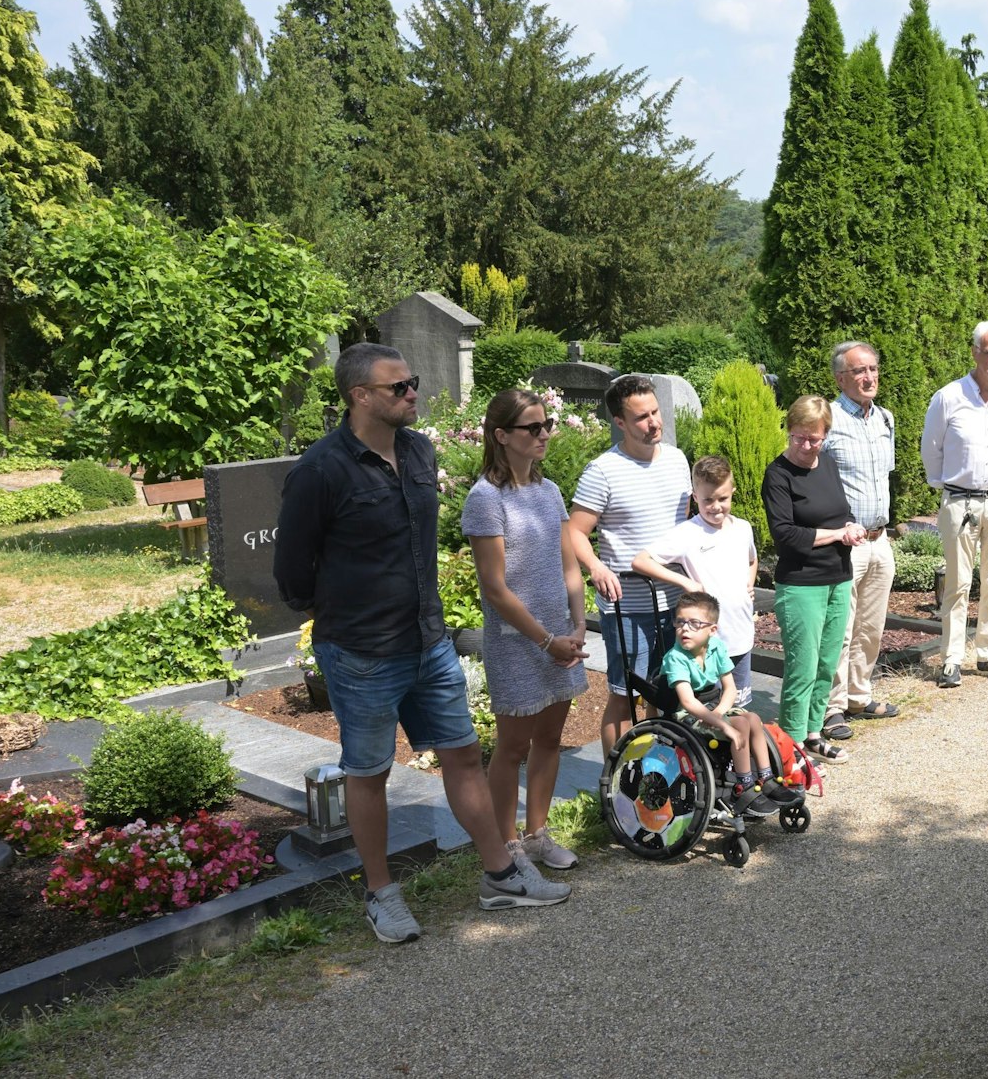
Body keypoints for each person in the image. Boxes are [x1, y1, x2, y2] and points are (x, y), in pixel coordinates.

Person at [275, 344, 569, 944]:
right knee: (370, 771)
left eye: (412, 383)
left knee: (462, 754)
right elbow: (291, 574)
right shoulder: (321, 470)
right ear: (360, 396)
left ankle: (499, 874)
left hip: (428, 639)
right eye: (399, 387)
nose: (413, 393)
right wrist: (343, 615)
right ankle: (382, 895)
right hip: (361, 650)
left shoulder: (416, 450)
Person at [462, 388, 591, 873]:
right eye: (532, 428)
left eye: (546, 426)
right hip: (519, 645)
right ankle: (508, 845)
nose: (543, 435)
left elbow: (569, 568)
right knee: (513, 747)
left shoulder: (549, 491)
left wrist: (577, 624)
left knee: (552, 740)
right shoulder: (485, 499)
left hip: (560, 639)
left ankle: (537, 835)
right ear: (501, 436)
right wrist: (545, 639)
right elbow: (495, 589)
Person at [566, 374, 691, 753]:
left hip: (677, 605)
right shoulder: (602, 471)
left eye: (655, 412)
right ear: (620, 422)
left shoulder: (676, 459)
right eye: (641, 417)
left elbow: (685, 527)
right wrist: (597, 567)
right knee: (625, 695)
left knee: (668, 691)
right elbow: (574, 532)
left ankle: (663, 774)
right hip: (629, 608)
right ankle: (617, 782)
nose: (653, 422)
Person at [921, 321, 988, 688]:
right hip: (960, 502)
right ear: (974, 352)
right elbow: (930, 451)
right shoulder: (949, 397)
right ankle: (951, 659)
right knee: (957, 584)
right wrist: (952, 487)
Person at [763, 395, 866, 763]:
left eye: (815, 439)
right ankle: (789, 753)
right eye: (799, 438)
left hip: (838, 577)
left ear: (826, 435)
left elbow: (840, 511)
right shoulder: (777, 475)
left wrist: (850, 526)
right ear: (789, 432)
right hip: (801, 583)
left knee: (826, 664)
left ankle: (811, 734)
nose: (806, 446)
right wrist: (838, 535)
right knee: (802, 668)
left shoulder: (829, 465)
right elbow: (786, 535)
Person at [820, 340, 902, 742]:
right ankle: (832, 707)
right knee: (841, 629)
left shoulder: (884, 418)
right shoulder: (830, 419)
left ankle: (858, 695)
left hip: (879, 539)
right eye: (859, 371)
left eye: (872, 368)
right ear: (840, 378)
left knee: (871, 627)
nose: (869, 377)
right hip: (845, 542)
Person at [629, 455, 758, 707]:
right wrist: (685, 583)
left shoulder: (743, 528)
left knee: (738, 709)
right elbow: (641, 561)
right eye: (708, 499)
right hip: (707, 645)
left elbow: (752, 560)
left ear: (732, 491)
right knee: (708, 714)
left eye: (723, 498)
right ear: (695, 496)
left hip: (741, 635)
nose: (716, 506)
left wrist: (749, 583)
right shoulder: (687, 533)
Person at [661, 590, 802, 815]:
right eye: (680, 622)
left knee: (753, 718)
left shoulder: (716, 647)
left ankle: (765, 778)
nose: (685, 628)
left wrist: (719, 713)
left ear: (712, 630)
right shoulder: (676, 658)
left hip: (713, 705)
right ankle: (743, 785)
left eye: (694, 623)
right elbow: (687, 702)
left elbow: (730, 688)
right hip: (686, 714)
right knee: (740, 725)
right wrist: (723, 724)